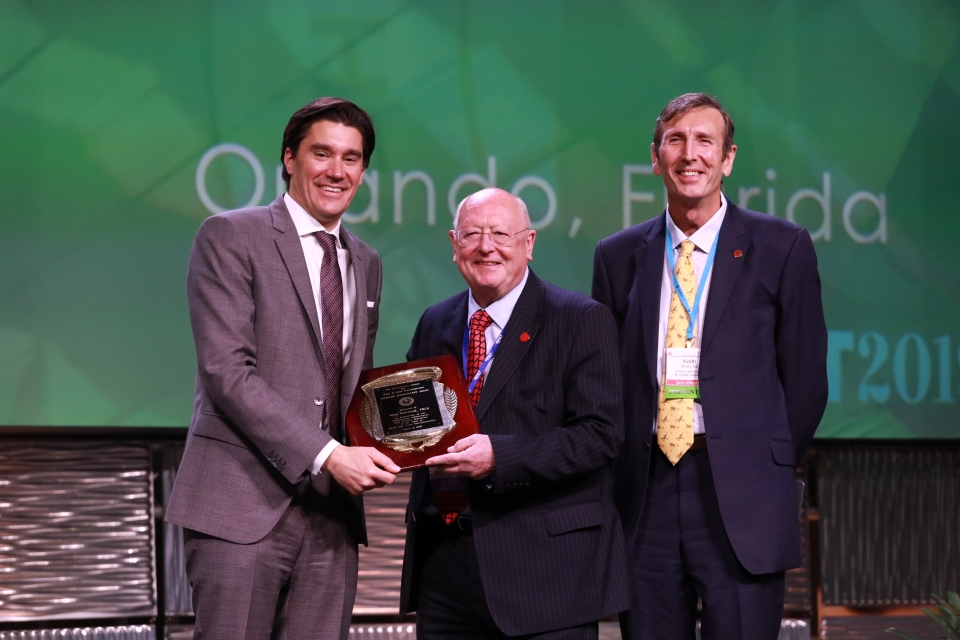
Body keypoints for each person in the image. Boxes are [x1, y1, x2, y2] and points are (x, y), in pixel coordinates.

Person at [592, 93, 828, 640]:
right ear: (655, 158)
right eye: (675, 140)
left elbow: (806, 378)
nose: (689, 154)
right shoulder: (617, 254)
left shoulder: (781, 245)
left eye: (705, 141)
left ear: (728, 158)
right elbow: (608, 380)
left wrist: (763, 466)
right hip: (645, 491)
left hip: (739, 496)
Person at [166, 97, 401, 640]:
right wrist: (328, 454)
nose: (336, 171)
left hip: (331, 519)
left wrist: (409, 440)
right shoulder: (231, 235)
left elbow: (355, 385)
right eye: (322, 154)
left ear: (363, 171)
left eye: (351, 158)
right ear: (290, 158)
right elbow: (227, 371)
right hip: (240, 508)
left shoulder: (366, 262)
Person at [398, 187, 628, 640]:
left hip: (544, 575)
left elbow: (600, 436)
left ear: (529, 243)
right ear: (453, 245)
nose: (487, 246)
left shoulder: (580, 319)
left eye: (501, 233)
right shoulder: (435, 322)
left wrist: (499, 458)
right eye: (473, 234)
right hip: (446, 569)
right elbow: (415, 424)